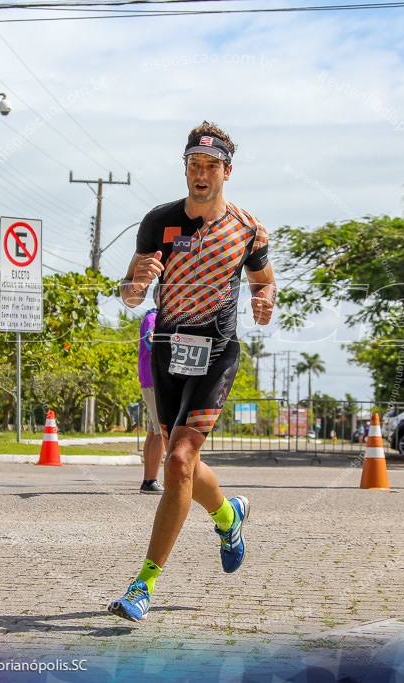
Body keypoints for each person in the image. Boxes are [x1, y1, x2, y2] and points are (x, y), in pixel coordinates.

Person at [108, 121, 276, 622]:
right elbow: (131, 290)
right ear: (186, 167)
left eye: (210, 166)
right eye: (193, 164)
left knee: (178, 461)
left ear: (227, 170)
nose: (201, 174)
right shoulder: (159, 221)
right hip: (167, 348)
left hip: (217, 349)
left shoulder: (248, 229)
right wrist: (135, 284)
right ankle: (228, 516)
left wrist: (265, 300)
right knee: (184, 465)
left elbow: (264, 282)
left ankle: (143, 586)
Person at [138, 290, 164, 494]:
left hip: (149, 380)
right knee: (160, 433)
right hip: (155, 381)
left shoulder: (152, 317)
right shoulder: (153, 317)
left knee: (152, 432)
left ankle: (149, 479)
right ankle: (150, 480)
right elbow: (151, 339)